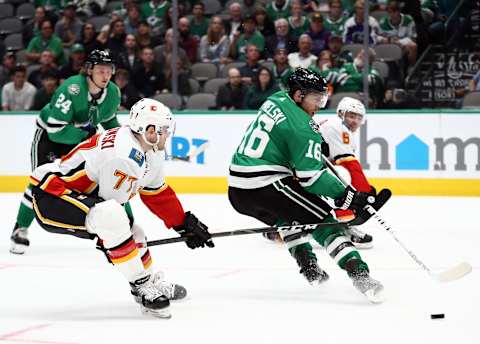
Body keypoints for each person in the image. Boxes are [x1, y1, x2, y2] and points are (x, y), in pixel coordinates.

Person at [29, 98, 215, 318]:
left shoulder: (148, 150)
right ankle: (142, 285)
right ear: (149, 130)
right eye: (164, 129)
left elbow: (157, 194)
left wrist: (183, 223)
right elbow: (111, 211)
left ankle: (148, 279)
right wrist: (114, 244)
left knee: (134, 230)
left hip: (80, 196)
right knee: (112, 217)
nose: (168, 133)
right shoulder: (124, 155)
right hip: (52, 197)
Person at [228, 68, 384, 303]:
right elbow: (310, 178)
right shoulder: (303, 129)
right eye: (316, 98)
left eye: (323, 97)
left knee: (289, 217)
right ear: (299, 95)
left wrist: (308, 149)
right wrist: (347, 195)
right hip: (265, 185)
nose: (320, 104)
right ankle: (360, 275)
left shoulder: (276, 99)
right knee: (325, 221)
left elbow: (283, 138)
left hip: (238, 190)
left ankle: (309, 267)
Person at [9, 50, 124, 254]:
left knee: (95, 182)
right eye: (100, 70)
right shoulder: (71, 88)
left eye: (109, 71)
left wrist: (122, 141)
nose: (106, 76)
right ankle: (20, 228)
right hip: (50, 137)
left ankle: (123, 229)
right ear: (89, 70)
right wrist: (85, 135)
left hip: (77, 138)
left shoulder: (113, 93)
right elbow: (55, 130)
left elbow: (108, 120)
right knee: (40, 181)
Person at [319, 97, 375, 248]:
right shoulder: (337, 126)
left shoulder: (337, 125)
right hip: (302, 171)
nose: (355, 121)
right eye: (351, 116)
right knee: (340, 175)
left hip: (301, 170)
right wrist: (364, 191)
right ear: (341, 113)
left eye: (359, 118)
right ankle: (343, 223)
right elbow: (348, 164)